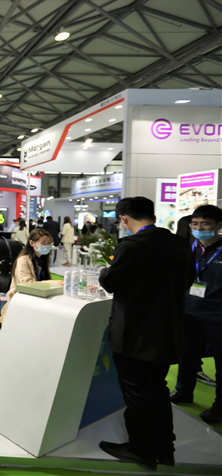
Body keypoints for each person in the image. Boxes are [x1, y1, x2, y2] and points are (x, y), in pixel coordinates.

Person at [97, 197, 194, 469]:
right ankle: (165, 449)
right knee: (158, 390)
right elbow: (188, 279)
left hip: (135, 333)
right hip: (167, 331)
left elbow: (111, 282)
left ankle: (141, 450)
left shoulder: (131, 246)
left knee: (137, 394)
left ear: (124, 218)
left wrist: (104, 271)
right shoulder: (178, 243)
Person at [170, 205, 222, 424]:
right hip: (189, 312)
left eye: (205, 224)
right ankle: (183, 391)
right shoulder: (189, 248)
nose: (199, 228)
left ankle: (219, 407)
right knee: (187, 355)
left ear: (218, 226)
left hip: (217, 316)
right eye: (195, 224)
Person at [0, 228, 53, 323]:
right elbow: (27, 285)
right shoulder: (23, 260)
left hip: (35, 304)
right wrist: (50, 283)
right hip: (20, 306)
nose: (47, 246)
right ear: (32, 243)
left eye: (49, 243)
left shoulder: (42, 261)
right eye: (43, 242)